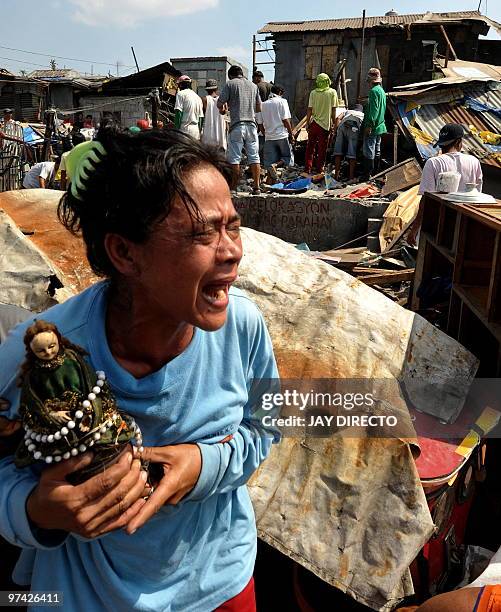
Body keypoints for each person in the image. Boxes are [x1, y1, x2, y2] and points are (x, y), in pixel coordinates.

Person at [0, 127, 279, 611]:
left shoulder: (245, 329)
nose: (232, 250)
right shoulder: (39, 355)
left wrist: (202, 465)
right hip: (88, 596)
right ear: (125, 252)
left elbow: (266, 428)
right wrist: (37, 511)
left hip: (221, 584)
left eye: (232, 226)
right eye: (201, 233)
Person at [407, 123, 483, 246]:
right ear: (459, 142)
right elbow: (477, 197)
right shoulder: (474, 162)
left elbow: (426, 199)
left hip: (438, 226)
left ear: (441, 144)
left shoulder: (433, 163)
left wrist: (414, 229)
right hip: (465, 227)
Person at [218, 65, 262, 194]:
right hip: (252, 126)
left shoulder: (230, 84)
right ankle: (257, 187)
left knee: (235, 158)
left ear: (230, 75)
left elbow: (219, 103)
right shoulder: (254, 86)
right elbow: (259, 107)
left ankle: (233, 188)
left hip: (237, 125)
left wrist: (225, 109)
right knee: (254, 157)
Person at [256, 84, 294, 183]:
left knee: (268, 162)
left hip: (269, 137)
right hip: (281, 135)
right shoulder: (282, 101)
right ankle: (276, 165)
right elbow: (285, 120)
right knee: (287, 157)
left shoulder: (263, 104)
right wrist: (291, 134)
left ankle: (269, 181)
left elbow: (259, 123)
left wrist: (266, 134)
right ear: (280, 93)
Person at [304, 73, 339, 175]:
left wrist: (307, 123)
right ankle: (320, 169)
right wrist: (333, 124)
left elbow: (309, 109)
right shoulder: (332, 92)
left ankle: (307, 169)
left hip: (314, 123)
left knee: (310, 147)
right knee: (322, 149)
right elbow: (333, 111)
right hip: (325, 125)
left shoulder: (313, 93)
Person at [362, 67, 387, 179]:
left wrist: (369, 125)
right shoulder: (381, 91)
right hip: (380, 125)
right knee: (377, 149)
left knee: (369, 150)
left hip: (373, 126)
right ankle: (376, 173)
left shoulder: (373, 91)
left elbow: (374, 111)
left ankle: (368, 174)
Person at [333, 104, 365, 181]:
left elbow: (337, 118)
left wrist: (335, 132)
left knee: (338, 152)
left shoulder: (347, 111)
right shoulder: (362, 114)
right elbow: (363, 127)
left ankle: (336, 176)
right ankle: (351, 177)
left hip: (342, 126)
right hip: (354, 129)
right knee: (352, 153)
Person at [174, 75, 204, 140]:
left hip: (185, 129)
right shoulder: (198, 97)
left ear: (181, 85)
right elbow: (201, 118)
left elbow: (178, 113)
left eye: (179, 85)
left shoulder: (180, 94)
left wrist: (176, 130)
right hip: (196, 130)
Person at [201, 78, 227, 152]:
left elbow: (201, 116)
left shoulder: (204, 100)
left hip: (208, 135)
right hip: (221, 134)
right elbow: (226, 117)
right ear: (216, 89)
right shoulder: (223, 100)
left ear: (206, 89)